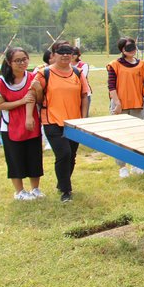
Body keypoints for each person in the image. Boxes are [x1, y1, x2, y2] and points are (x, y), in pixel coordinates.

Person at [31, 42, 89, 202]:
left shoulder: (78, 73)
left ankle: (62, 182)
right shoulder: (44, 74)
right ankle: (66, 191)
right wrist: (36, 90)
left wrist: (83, 119)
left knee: (71, 156)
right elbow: (37, 99)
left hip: (74, 122)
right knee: (64, 154)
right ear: (53, 55)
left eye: (68, 52)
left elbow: (84, 96)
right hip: (52, 120)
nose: (65, 55)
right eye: (61, 52)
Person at [0, 47, 44, 201]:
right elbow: (0, 105)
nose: (22, 63)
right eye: (17, 60)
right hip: (10, 126)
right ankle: (20, 191)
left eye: (24, 59)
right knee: (15, 158)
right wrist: (20, 102)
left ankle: (35, 188)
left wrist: (39, 89)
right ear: (9, 62)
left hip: (31, 124)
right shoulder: (0, 82)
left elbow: (37, 99)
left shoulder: (32, 77)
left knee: (34, 157)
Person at [107, 37, 144, 178]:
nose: (132, 50)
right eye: (128, 48)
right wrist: (117, 103)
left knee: (137, 136)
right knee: (120, 137)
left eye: (133, 47)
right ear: (122, 50)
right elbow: (111, 85)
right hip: (120, 105)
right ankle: (122, 167)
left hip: (137, 105)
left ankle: (136, 164)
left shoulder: (141, 64)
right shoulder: (114, 65)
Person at [71, 46, 92, 117]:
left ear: (78, 55)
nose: (72, 56)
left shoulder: (83, 65)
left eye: (74, 54)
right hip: (72, 93)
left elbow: (81, 77)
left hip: (84, 93)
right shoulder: (66, 65)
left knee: (84, 115)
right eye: (70, 53)